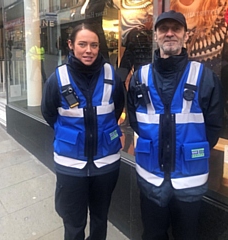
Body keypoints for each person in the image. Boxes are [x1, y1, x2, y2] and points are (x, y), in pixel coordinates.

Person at [127, 10, 223, 240]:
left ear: (185, 35)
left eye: (176, 29)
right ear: (157, 36)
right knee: (152, 235)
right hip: (151, 177)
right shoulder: (140, 77)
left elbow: (214, 127)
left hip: (188, 179)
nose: (169, 33)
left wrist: (188, 151)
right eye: (163, 29)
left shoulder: (205, 78)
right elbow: (135, 121)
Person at [41, 23, 125, 240]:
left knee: (100, 218)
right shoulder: (57, 79)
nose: (89, 50)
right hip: (71, 165)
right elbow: (49, 113)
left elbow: (117, 108)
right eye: (83, 44)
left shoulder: (111, 75)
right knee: (74, 223)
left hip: (106, 164)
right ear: (71, 45)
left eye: (94, 45)